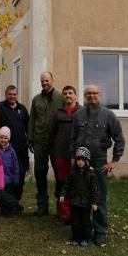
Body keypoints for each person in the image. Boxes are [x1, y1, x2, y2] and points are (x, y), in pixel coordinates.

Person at [71, 84, 125, 245]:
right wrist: (73, 159)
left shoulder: (108, 115)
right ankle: (82, 229)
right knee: (80, 195)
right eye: (88, 93)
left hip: (99, 161)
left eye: (94, 93)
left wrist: (114, 160)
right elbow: (73, 138)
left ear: (99, 95)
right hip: (80, 162)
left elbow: (119, 138)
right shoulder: (78, 115)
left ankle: (100, 231)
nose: (92, 96)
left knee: (99, 196)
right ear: (84, 95)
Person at [27, 71, 63, 216]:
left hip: (56, 142)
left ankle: (61, 205)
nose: (44, 83)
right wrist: (30, 139)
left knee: (59, 173)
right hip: (39, 141)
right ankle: (42, 206)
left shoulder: (61, 97)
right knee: (40, 172)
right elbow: (32, 120)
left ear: (52, 80)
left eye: (47, 80)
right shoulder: (36, 99)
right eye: (42, 81)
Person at [0, 85, 30, 202]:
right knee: (7, 176)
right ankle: (9, 202)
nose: (12, 96)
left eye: (14, 94)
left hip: (21, 148)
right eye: (10, 94)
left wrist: (30, 141)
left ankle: (16, 200)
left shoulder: (22, 109)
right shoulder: (0, 107)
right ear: (5, 95)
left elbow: (28, 126)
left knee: (20, 174)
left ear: (16, 95)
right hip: (6, 149)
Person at [49, 85, 81, 224]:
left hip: (77, 156)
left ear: (75, 96)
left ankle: (77, 215)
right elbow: (52, 133)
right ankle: (64, 215)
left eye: (70, 93)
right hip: (61, 154)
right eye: (65, 93)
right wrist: (54, 150)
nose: (67, 95)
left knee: (77, 184)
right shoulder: (58, 113)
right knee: (62, 184)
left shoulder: (82, 112)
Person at [59, 147, 98, 247]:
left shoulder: (91, 174)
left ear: (86, 161)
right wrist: (63, 194)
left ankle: (85, 238)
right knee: (75, 221)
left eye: (82, 160)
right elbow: (67, 184)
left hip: (86, 203)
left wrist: (94, 202)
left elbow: (94, 190)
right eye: (78, 160)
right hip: (74, 201)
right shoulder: (72, 172)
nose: (80, 162)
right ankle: (76, 238)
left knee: (85, 221)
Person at [0, 126, 23, 216]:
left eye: (5, 138)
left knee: (9, 194)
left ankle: (11, 210)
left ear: (8, 139)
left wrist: (15, 178)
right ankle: (14, 205)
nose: (3, 140)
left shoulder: (11, 151)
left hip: (9, 178)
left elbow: (15, 166)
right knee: (1, 195)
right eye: (1, 137)